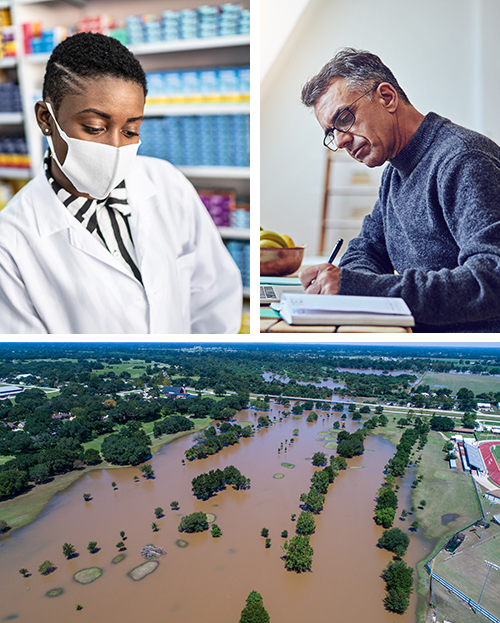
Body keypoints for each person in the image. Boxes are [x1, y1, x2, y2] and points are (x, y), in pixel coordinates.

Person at [0, 32, 242, 334]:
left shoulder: (167, 183)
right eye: (94, 128)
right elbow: (33, 362)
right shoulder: (9, 242)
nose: (114, 147)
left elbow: (215, 298)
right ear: (46, 119)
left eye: (130, 131)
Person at [299, 48, 500, 332]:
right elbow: (366, 249)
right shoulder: (395, 172)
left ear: (387, 97)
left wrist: (365, 289)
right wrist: (357, 286)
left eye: (344, 119)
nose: (341, 141)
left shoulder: (463, 159)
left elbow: (492, 279)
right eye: (332, 132)